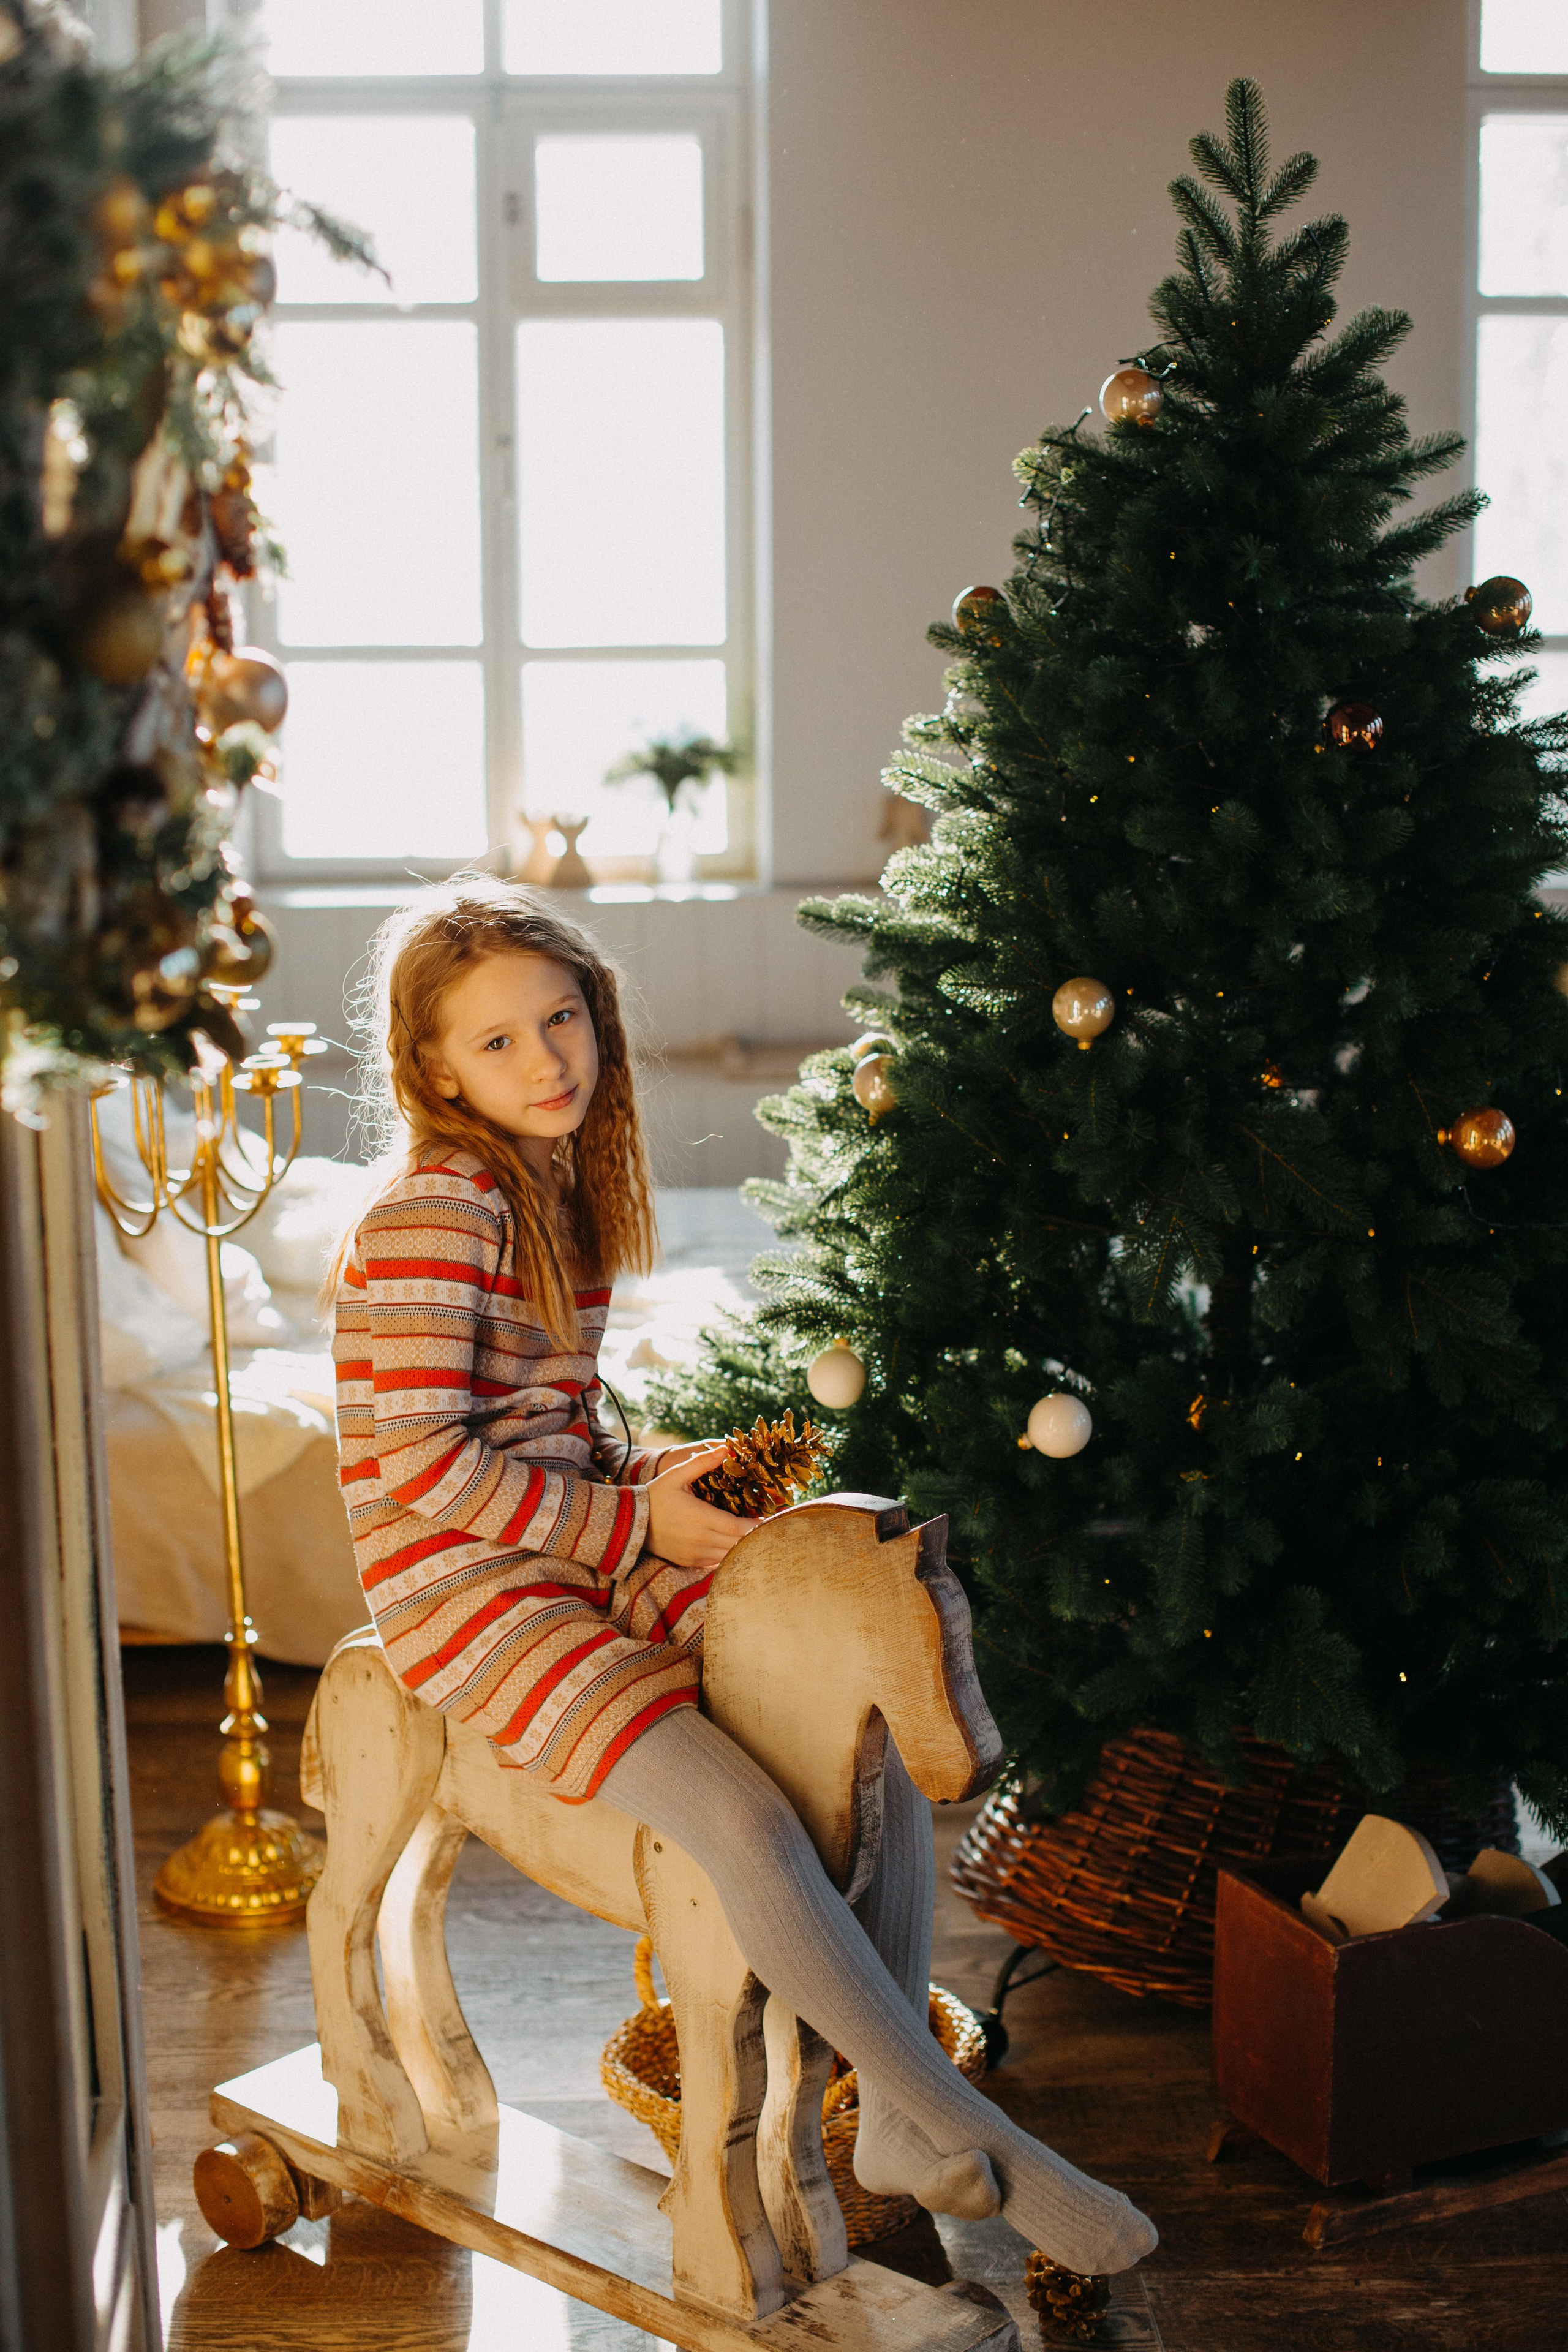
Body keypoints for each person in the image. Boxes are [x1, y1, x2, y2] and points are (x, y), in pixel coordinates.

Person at [328, 875, 1157, 2278]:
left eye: (562, 1018)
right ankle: (950, 2120)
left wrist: (655, 1475)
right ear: (431, 1071)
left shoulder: (550, 1188)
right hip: (466, 1580)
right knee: (745, 1816)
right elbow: (423, 1469)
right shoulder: (438, 1210)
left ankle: (890, 2123)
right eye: (498, 1043)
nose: (547, 1061)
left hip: (572, 1527)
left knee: (857, 1736)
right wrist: (629, 1530)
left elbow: (547, 1422)